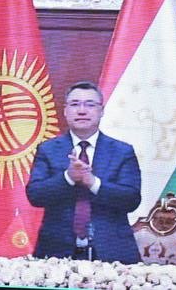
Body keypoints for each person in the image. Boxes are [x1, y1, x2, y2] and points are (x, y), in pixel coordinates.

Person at [25, 82, 141, 264]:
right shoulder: (48, 149)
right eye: (74, 104)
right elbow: (35, 195)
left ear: (101, 111)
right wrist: (68, 178)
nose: (81, 111)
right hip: (56, 251)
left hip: (112, 252)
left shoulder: (121, 151)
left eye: (90, 104)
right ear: (65, 111)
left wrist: (93, 183)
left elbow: (131, 199)